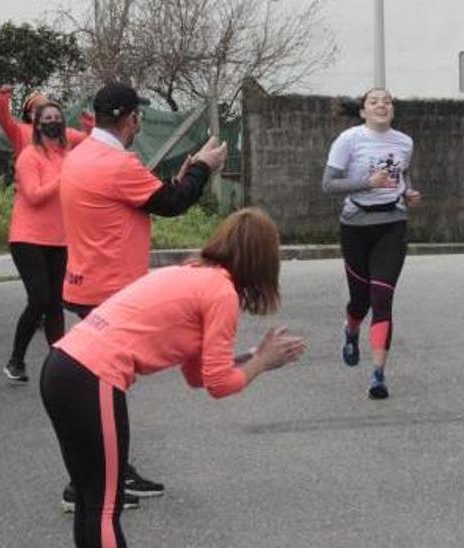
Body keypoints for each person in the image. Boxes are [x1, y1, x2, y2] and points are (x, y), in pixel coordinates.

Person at [42, 208, 308, 548]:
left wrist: (254, 355)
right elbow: (219, 385)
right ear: (263, 261)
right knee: (104, 507)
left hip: (62, 366)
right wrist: (263, 363)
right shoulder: (221, 292)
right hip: (91, 375)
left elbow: (198, 375)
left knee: (89, 499)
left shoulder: (192, 273)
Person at [55, 81, 228, 511]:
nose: (139, 124)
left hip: (85, 282)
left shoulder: (84, 155)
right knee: (108, 383)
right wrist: (202, 168)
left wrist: (185, 176)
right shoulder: (116, 163)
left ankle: (114, 470)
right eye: (139, 117)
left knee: (108, 384)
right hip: (109, 288)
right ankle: (89, 482)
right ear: (130, 118)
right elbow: (172, 203)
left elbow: (147, 197)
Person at [322, 88, 422, 400]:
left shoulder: (404, 142)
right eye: (374, 101)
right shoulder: (349, 140)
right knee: (360, 301)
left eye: (387, 101)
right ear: (363, 111)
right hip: (355, 227)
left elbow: (403, 176)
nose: (382, 105)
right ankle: (351, 330)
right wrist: (367, 183)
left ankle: (378, 374)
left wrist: (408, 193)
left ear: (393, 109)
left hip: (393, 224)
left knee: (382, 299)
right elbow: (328, 184)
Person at [2, 101, 72, 383]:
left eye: (58, 117)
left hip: (59, 239)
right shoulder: (29, 156)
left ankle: (61, 365)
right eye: (48, 118)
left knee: (56, 303)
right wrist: (63, 178)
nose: (54, 121)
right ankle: (15, 361)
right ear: (38, 125)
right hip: (27, 238)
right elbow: (33, 195)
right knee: (40, 299)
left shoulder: (68, 156)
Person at [0, 84, 94, 158]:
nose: (42, 111)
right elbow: (5, 119)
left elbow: (89, 140)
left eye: (45, 107)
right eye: (38, 108)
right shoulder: (20, 131)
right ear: (30, 114)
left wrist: (91, 126)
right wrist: (3, 97)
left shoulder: (64, 132)